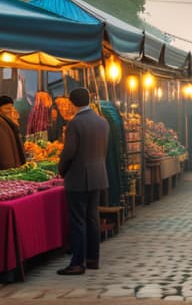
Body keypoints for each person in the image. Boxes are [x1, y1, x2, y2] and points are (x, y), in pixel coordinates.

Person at [56, 87, 110, 275]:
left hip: (78, 178)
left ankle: (77, 263)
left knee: (78, 221)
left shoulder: (75, 124)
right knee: (92, 218)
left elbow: (69, 152)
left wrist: (61, 169)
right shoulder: (103, 122)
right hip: (98, 176)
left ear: (72, 103)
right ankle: (93, 259)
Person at [0, 95, 25, 173]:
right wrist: (10, 172)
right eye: (7, 109)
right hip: (2, 173)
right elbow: (5, 154)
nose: (10, 112)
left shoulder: (5, 122)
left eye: (11, 108)